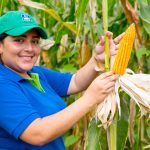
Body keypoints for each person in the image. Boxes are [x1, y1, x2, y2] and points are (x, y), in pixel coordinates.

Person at [0, 11, 121, 150]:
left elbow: (75, 82)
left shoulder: (35, 73)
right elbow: (37, 134)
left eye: (34, 41)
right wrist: (90, 99)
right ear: (1, 46)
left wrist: (96, 60)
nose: (29, 48)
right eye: (19, 40)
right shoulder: (2, 84)